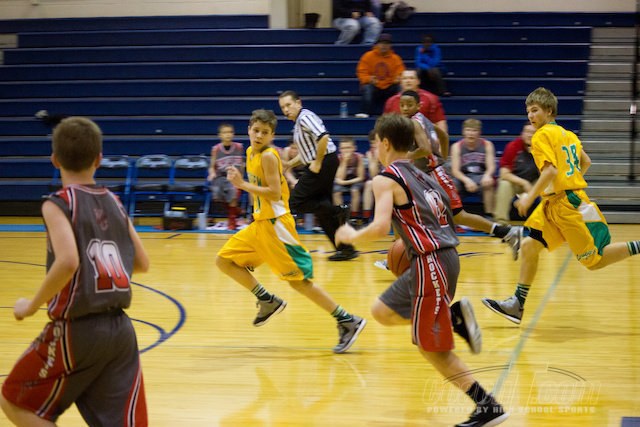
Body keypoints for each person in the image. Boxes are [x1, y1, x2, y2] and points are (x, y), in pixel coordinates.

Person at [335, 114, 509, 427]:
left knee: (432, 349)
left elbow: (380, 227)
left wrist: (351, 235)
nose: (375, 149)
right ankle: (452, 319)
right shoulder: (425, 174)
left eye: (375, 144)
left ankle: (488, 407)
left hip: (430, 262)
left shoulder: (385, 179)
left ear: (385, 143)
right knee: (381, 312)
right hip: (443, 258)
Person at [0, 117, 149, 426]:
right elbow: (142, 262)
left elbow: (68, 262)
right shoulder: (114, 201)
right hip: (121, 331)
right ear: (99, 159)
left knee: (14, 400)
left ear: (54, 160)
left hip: (77, 330)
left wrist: (31, 305)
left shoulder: (58, 203)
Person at [482, 87, 640, 325]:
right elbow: (586, 161)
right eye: (528, 111)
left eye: (535, 110)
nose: (530, 115)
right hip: (554, 203)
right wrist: (570, 180)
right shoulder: (568, 134)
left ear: (549, 111)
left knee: (594, 261)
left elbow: (550, 171)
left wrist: (528, 197)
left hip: (568, 205)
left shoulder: (541, 136)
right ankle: (517, 304)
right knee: (529, 245)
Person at [215, 109, 366, 353]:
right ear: (249, 130)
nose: (259, 135)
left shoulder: (268, 156)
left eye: (265, 132)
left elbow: (275, 193)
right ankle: (267, 300)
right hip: (259, 224)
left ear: (272, 135)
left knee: (300, 283)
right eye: (256, 130)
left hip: (277, 227)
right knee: (224, 261)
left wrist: (242, 184)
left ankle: (347, 320)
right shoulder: (250, 152)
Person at [399, 91, 524, 261]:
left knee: (410, 211)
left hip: (431, 176)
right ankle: (507, 232)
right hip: (428, 175)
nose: (405, 108)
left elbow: (425, 149)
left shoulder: (414, 123)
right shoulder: (423, 119)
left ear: (418, 106)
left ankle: (409, 253)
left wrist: (406, 156)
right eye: (402, 105)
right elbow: (444, 135)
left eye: (409, 105)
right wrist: (442, 158)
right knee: (453, 216)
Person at [278, 90, 358, 261]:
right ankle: (345, 249)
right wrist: (289, 164)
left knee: (295, 202)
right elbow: (307, 153)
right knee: (322, 211)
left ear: (298, 103)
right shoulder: (299, 123)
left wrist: (318, 162)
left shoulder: (305, 117)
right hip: (323, 162)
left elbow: (323, 137)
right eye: (283, 107)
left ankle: (339, 210)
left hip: (324, 162)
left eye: (288, 105)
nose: (285, 110)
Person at [450, 118, 496, 218]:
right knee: (452, 186)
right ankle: (454, 216)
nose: (471, 134)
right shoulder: (456, 146)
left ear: (479, 132)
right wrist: (467, 181)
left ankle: (489, 216)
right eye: (468, 130)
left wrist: (487, 175)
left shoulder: (487, 145)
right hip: (462, 177)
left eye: (474, 131)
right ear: (463, 131)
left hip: (480, 176)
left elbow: (491, 166)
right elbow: (455, 170)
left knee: (489, 183)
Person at [494, 124, 539, 224]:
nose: (530, 135)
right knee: (504, 184)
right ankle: (501, 223)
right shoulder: (513, 146)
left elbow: (546, 174)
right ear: (522, 134)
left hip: (534, 183)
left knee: (549, 185)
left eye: (533, 133)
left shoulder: (543, 148)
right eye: (527, 132)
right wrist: (524, 183)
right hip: (516, 182)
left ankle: (548, 223)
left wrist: (530, 193)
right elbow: (504, 174)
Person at [356, 33, 406, 118]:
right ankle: (365, 112)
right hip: (375, 87)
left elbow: (400, 73)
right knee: (367, 87)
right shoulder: (368, 56)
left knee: (400, 87)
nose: (384, 46)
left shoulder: (396, 58)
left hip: (389, 87)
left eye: (386, 43)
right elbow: (361, 72)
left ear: (390, 45)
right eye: (382, 43)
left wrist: (397, 79)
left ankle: (402, 113)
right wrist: (369, 79)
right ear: (378, 44)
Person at [207, 123, 246, 230]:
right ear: (220, 135)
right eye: (225, 132)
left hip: (234, 176)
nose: (228, 134)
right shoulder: (216, 149)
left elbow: (242, 164)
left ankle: (232, 221)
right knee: (217, 195)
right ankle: (236, 210)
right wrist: (212, 173)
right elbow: (212, 166)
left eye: (230, 132)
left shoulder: (238, 147)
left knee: (233, 192)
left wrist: (241, 177)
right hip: (221, 177)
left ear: (233, 134)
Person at [383, 69, 448, 133]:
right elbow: (383, 126)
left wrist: (442, 139)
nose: (408, 81)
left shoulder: (431, 98)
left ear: (418, 81)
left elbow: (440, 122)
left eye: (411, 78)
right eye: (405, 78)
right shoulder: (391, 101)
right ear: (400, 82)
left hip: (425, 137)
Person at [333, 137, 365, 222]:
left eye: (348, 148)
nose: (346, 150)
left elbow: (361, 177)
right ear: (339, 149)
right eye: (343, 148)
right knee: (336, 192)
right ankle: (342, 216)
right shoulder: (338, 159)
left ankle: (353, 216)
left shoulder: (359, 157)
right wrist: (344, 162)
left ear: (354, 148)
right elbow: (340, 177)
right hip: (342, 181)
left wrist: (344, 182)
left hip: (355, 181)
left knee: (355, 190)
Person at [363, 129, 383, 223]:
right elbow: (373, 175)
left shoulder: (389, 151)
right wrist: (375, 159)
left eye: (376, 142)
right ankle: (366, 217)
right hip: (377, 179)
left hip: (389, 179)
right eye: (372, 143)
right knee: (369, 184)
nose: (374, 145)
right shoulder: (370, 153)